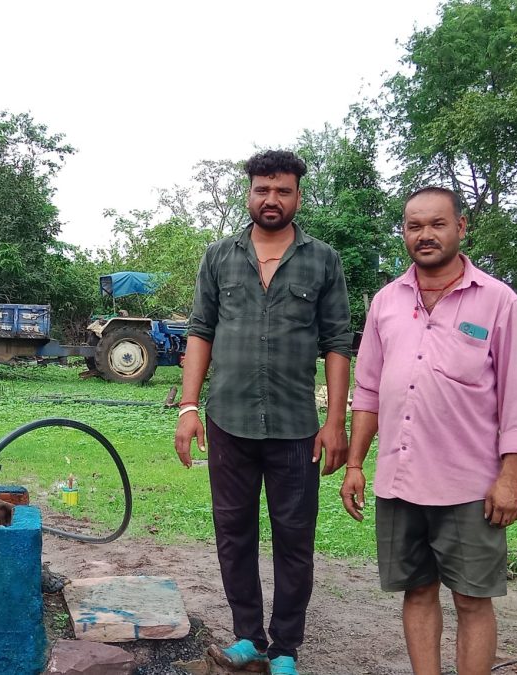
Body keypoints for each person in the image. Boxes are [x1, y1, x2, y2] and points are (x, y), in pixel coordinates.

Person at [341, 187, 517, 675]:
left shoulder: (498, 301)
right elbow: (368, 390)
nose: (425, 234)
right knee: (417, 591)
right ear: (404, 233)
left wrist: (511, 477)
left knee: (472, 599)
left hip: (469, 486)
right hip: (399, 481)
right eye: (415, 226)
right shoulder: (386, 301)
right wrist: (355, 464)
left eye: (437, 224)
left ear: (461, 227)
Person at [174, 150, 353, 675]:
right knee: (233, 532)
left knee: (295, 539)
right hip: (227, 420)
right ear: (249, 193)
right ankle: (248, 638)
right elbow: (200, 330)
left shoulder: (323, 260)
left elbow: (338, 341)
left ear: (298, 195)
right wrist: (188, 406)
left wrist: (336, 422)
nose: (271, 199)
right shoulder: (219, 257)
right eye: (262, 189)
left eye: (282, 190)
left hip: (297, 428)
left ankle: (286, 648)